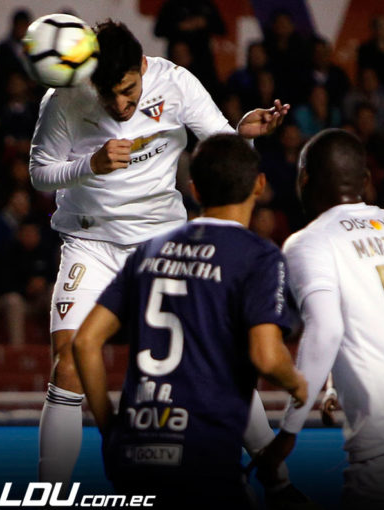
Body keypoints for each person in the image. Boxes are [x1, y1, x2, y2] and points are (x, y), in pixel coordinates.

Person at [28, 19, 297, 495]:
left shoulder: (176, 83)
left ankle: (276, 481)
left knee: (215, 353)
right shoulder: (64, 98)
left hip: (164, 242)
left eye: (129, 92)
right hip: (91, 243)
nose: (120, 106)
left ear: (141, 68)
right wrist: (87, 164)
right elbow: (40, 172)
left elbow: (219, 145)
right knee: (67, 360)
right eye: (108, 96)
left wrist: (244, 132)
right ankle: (48, 493)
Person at [73, 134, 308, 508]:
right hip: (202, 453)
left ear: (194, 189)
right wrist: (297, 383)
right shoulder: (258, 256)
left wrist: (109, 428)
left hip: (134, 450)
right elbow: (266, 356)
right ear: (259, 185)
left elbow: (84, 342)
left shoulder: (151, 249)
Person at [258, 128, 384, 510]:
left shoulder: (310, 241)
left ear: (303, 179)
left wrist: (288, 433)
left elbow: (326, 328)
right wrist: (337, 383)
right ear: (366, 181)